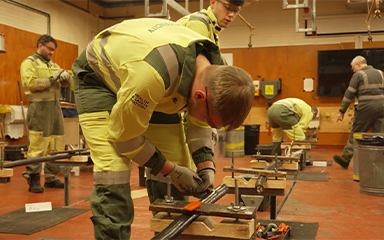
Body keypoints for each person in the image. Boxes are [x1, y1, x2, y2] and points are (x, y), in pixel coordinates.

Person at [71, 18, 255, 239]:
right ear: (199, 96)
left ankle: (172, 231)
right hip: (100, 79)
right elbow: (124, 138)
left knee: (176, 156)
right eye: (210, 121)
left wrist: (206, 166)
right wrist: (171, 170)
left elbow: (198, 121)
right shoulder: (150, 78)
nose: (208, 125)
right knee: (114, 170)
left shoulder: (217, 74)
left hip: (157, 81)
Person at [20, 34, 72, 193]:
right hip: (39, 109)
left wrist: (66, 80)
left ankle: (50, 177)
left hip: (55, 108)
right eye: (49, 49)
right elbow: (31, 83)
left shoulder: (53, 64)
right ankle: (33, 178)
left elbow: (61, 82)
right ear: (40, 46)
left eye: (53, 50)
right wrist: (52, 78)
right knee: (38, 144)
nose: (51, 53)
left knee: (56, 143)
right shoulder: (29, 63)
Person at [333, 56, 384, 169]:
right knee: (380, 135)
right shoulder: (380, 73)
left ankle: (345, 159)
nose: (353, 70)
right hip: (382, 106)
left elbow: (349, 95)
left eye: (353, 67)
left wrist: (342, 111)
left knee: (357, 132)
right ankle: (379, 162)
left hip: (366, 107)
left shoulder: (358, 75)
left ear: (358, 64)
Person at [177, 0, 244, 47]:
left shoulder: (213, 29)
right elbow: (199, 65)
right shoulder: (198, 23)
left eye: (235, 11)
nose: (231, 14)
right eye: (227, 7)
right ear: (213, 2)